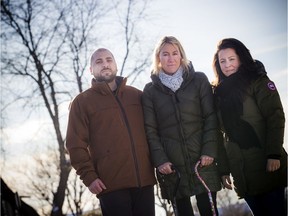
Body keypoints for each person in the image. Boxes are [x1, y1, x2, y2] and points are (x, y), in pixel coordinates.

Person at [66, 48, 156, 216]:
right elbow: (74, 145)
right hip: (111, 186)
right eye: (98, 61)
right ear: (91, 70)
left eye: (109, 60)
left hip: (144, 182)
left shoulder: (136, 95)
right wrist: (89, 177)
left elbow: (154, 130)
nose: (105, 64)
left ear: (115, 65)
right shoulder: (82, 102)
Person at [142, 36, 222, 216]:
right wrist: (160, 160)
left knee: (209, 212)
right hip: (172, 168)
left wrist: (209, 151)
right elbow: (150, 130)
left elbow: (211, 117)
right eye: (165, 54)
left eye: (174, 53)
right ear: (158, 58)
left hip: (202, 162)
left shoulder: (199, 80)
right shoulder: (150, 91)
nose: (170, 58)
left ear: (181, 56)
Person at [212, 38, 287, 216]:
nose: (227, 65)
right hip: (242, 173)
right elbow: (220, 134)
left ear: (241, 58)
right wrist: (223, 170)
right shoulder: (218, 93)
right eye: (222, 61)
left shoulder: (258, 81)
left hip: (267, 164)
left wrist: (273, 154)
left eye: (231, 59)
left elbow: (275, 117)